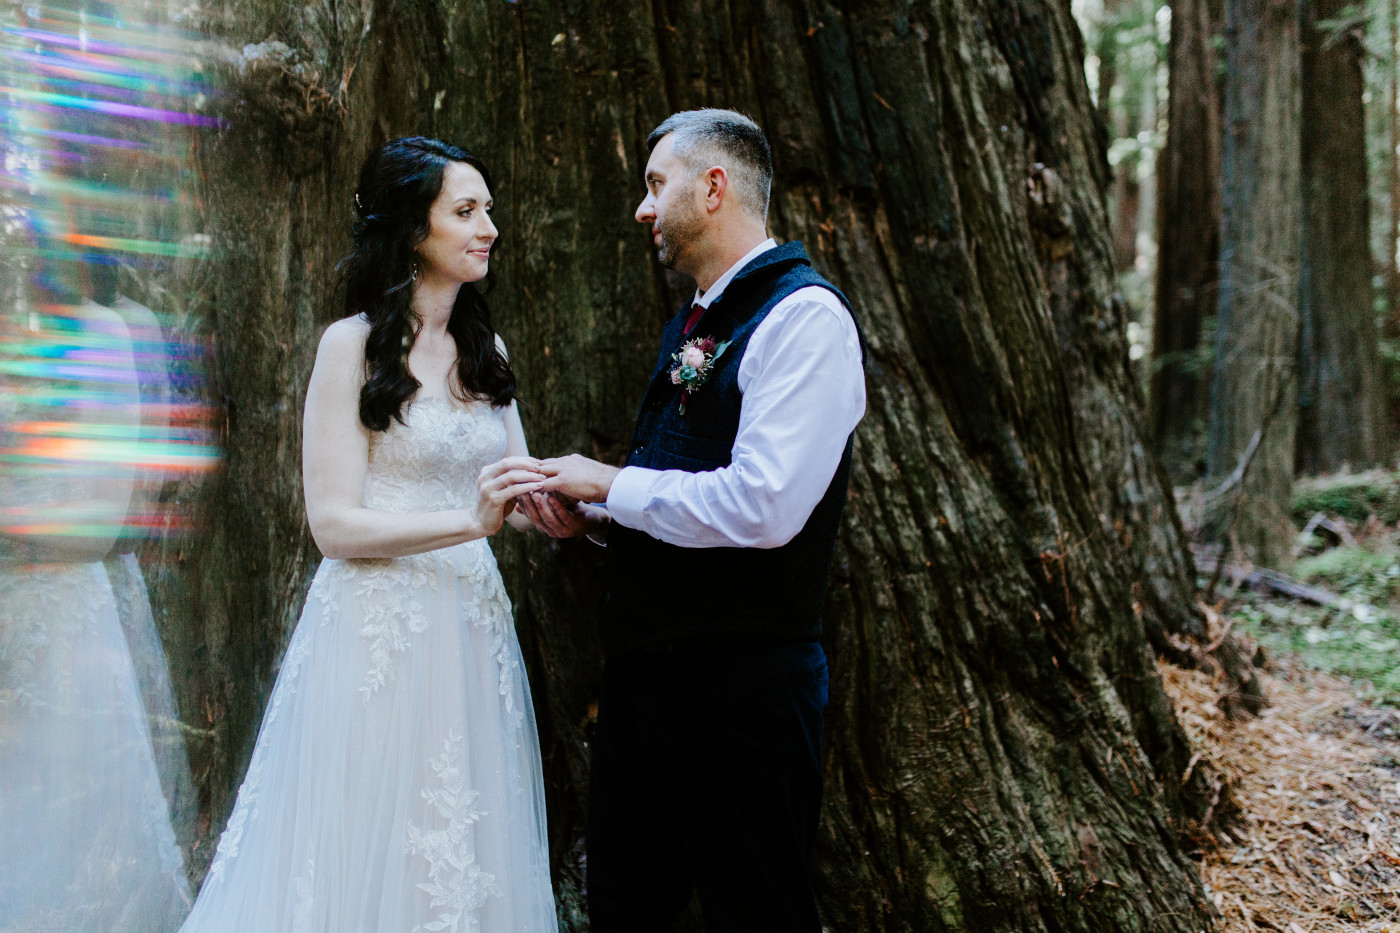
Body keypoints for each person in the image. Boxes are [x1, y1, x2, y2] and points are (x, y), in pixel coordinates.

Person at [177, 137, 557, 933]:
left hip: (468, 629)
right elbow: (333, 524)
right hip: (378, 627)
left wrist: (564, 511)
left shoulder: (488, 353)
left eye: (488, 209)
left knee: (460, 834)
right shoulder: (349, 346)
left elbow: (512, 490)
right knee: (360, 831)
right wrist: (469, 523)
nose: (488, 226)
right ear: (413, 231)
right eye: (464, 211)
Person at [519, 109, 865, 933]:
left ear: (713, 187)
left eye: (654, 184)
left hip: (744, 696)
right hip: (646, 689)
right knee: (625, 910)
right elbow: (685, 485)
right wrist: (595, 519)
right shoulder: (696, 321)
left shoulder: (803, 319)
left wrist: (610, 478)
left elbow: (765, 504)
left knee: (758, 910)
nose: (643, 209)